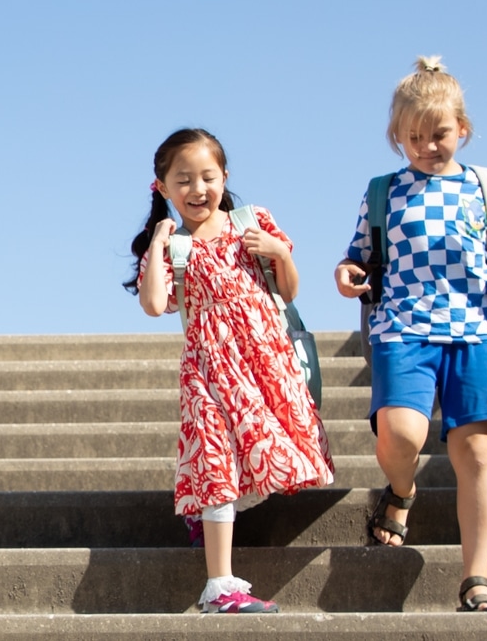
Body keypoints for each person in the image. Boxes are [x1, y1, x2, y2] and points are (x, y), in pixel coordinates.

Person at [335, 56, 487, 612]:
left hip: (474, 331)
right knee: (400, 436)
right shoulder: (383, 192)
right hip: (402, 329)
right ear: (396, 136)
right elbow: (358, 257)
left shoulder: (484, 186)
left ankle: (476, 580)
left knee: (476, 456)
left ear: (463, 130)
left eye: (440, 133)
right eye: (414, 136)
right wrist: (347, 274)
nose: (427, 146)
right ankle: (402, 489)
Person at [129, 127, 335, 614]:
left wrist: (280, 253)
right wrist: (160, 240)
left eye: (208, 177)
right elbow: (155, 304)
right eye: (183, 180)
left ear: (225, 177)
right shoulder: (174, 247)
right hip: (209, 368)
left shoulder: (252, 221)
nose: (197, 189)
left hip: (264, 364)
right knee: (217, 461)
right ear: (161, 187)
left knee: (270, 455)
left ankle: (207, 518)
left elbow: (289, 292)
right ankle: (220, 587)